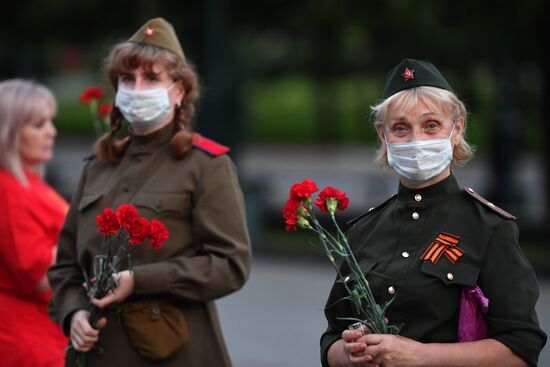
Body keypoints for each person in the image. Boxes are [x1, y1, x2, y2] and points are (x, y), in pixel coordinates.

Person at [47, 18, 251, 366]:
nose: (137, 88)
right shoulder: (98, 165)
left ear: (179, 91)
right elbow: (65, 266)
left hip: (172, 352)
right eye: (128, 79)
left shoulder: (205, 165)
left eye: (152, 78)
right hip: (98, 353)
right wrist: (74, 314)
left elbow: (230, 265)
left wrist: (140, 280)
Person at [321, 58, 547, 367]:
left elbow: (522, 348)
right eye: (400, 128)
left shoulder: (488, 227)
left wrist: (421, 356)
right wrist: (347, 354)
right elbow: (331, 338)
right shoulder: (363, 230)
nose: (416, 141)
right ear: (382, 136)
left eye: (431, 125)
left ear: (456, 129)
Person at [0, 79, 68, 366]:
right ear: (9, 133)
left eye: (50, 122)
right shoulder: (7, 190)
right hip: (27, 343)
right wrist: (95, 243)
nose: (51, 132)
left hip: (46, 330)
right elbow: (38, 274)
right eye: (39, 125)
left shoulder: (29, 182)